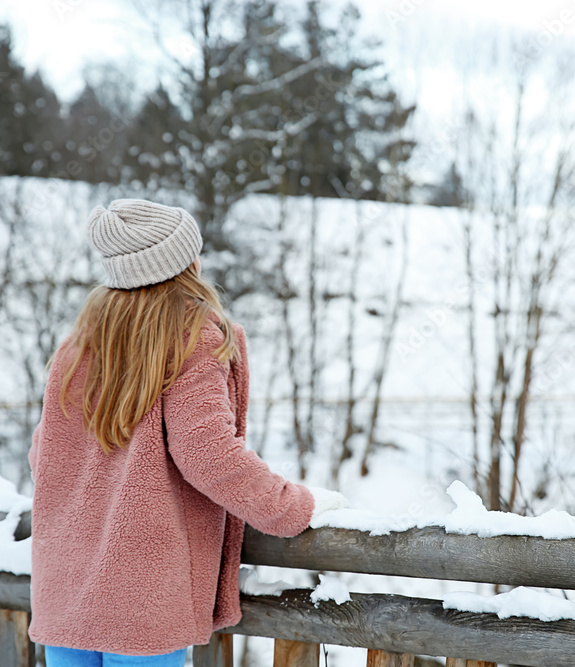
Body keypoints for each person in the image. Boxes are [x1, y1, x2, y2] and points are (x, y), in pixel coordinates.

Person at [27, 199, 348, 667]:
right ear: (185, 264)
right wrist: (294, 505)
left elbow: (45, 458)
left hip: (66, 591)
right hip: (143, 601)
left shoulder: (78, 345)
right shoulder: (192, 338)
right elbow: (210, 455)